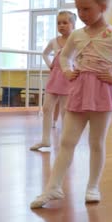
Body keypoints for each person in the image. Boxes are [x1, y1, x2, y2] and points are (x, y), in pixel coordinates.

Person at [30, 0, 112, 208]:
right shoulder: (77, 35)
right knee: (67, 141)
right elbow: (64, 56)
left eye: (86, 9)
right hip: (79, 92)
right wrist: (68, 70)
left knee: (96, 142)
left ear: (103, 6)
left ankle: (92, 186)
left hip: (102, 92)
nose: (81, 15)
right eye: (78, 9)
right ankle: (53, 187)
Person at [30, 11, 76, 150]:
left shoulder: (76, 41)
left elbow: (81, 57)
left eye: (65, 22)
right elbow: (45, 53)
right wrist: (49, 64)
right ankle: (45, 139)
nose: (61, 25)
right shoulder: (54, 41)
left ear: (73, 24)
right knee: (47, 108)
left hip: (68, 78)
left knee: (64, 111)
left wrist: (75, 69)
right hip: (54, 77)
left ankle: (65, 140)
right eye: (58, 23)